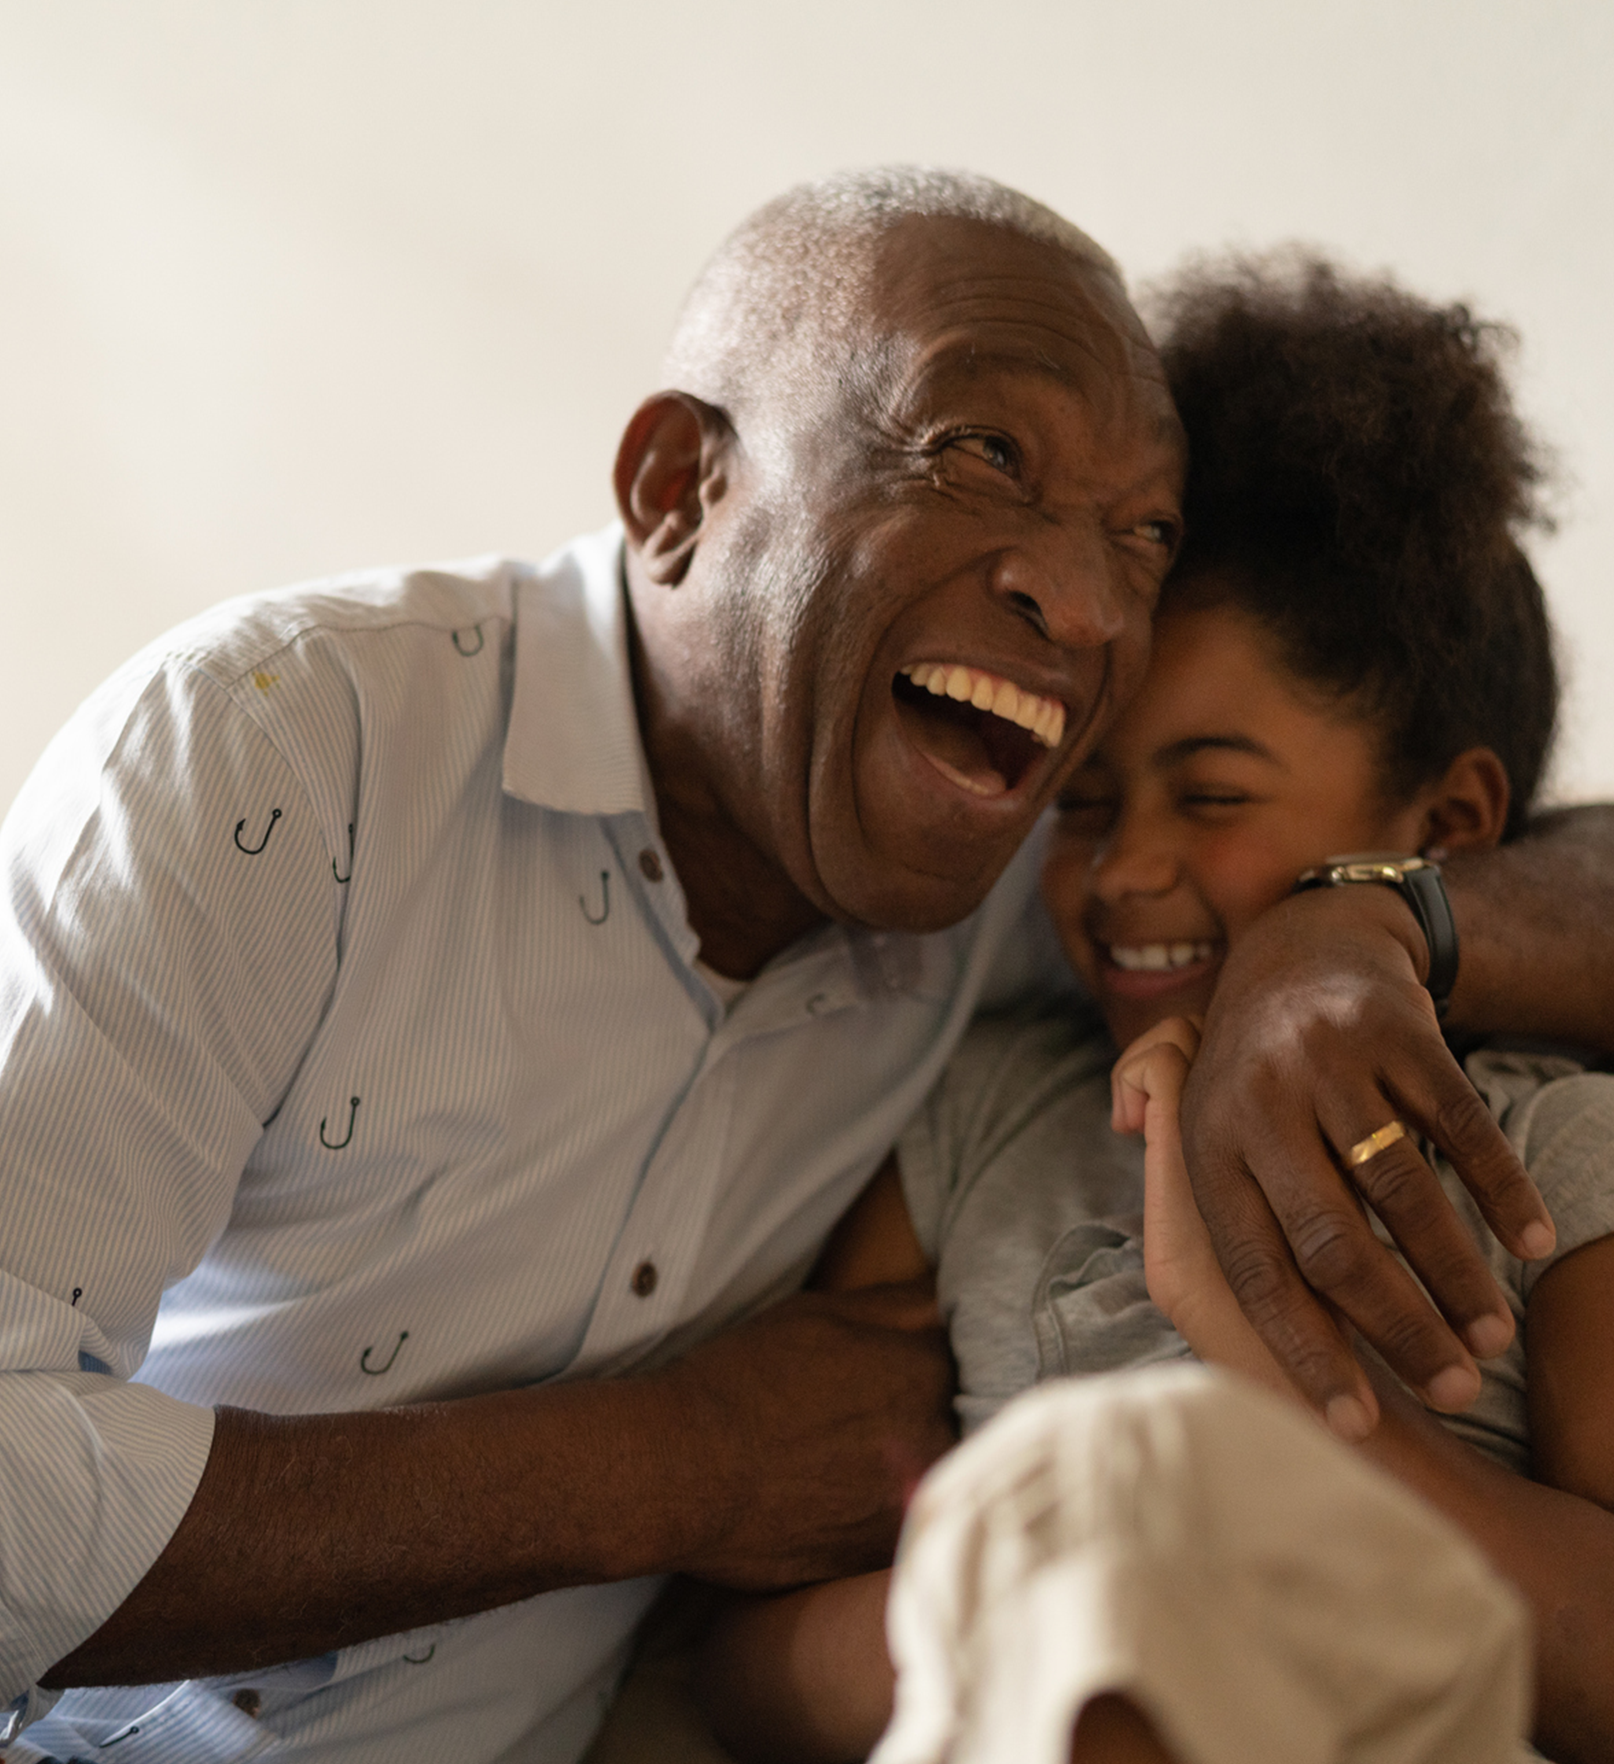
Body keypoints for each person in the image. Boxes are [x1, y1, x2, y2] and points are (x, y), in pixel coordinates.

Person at [0, 172, 1606, 1764]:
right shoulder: (274, 745)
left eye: (1144, 535)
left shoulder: (1020, 874)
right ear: (676, 488)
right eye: (982, 453)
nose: (1084, 595)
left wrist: (1359, 925)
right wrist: (671, 1460)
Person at [694, 256, 1614, 1764]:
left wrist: (1271, 1365)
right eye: (1089, 797)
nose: (1123, 871)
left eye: (1213, 794)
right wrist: (1060, 1594)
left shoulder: (1545, 1156)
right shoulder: (980, 1118)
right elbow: (737, 1662)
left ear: (1444, 824)